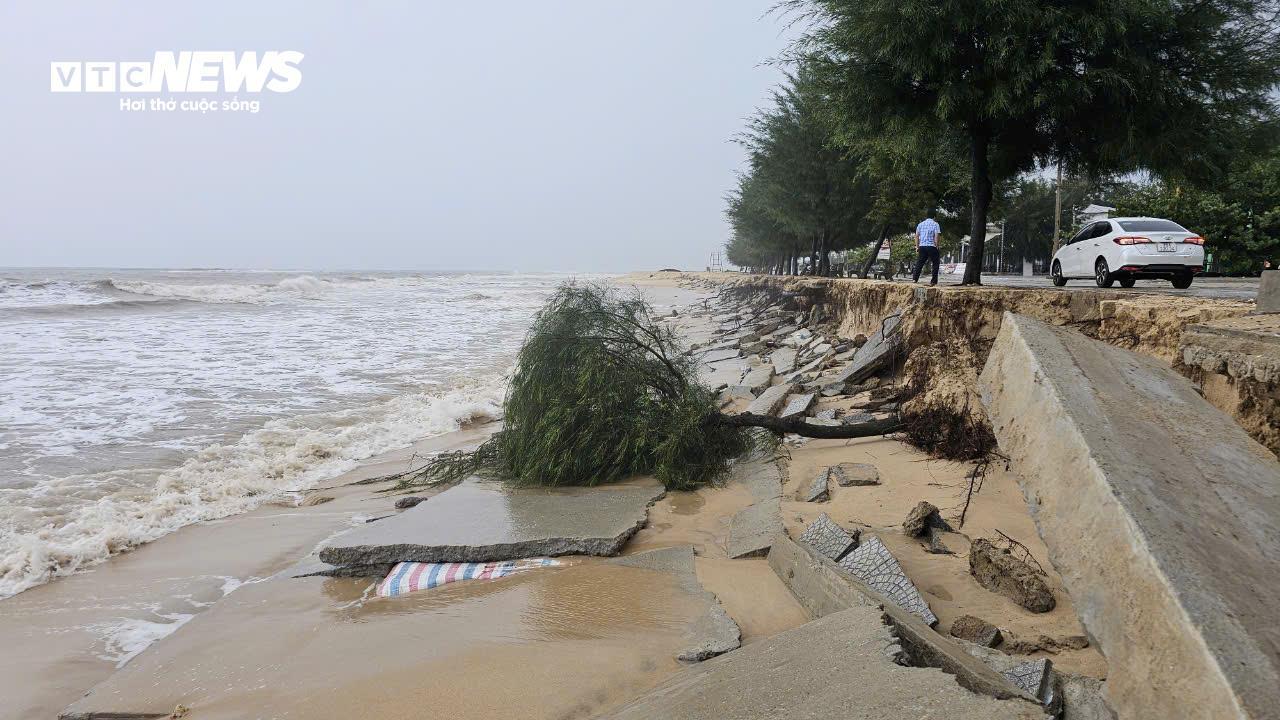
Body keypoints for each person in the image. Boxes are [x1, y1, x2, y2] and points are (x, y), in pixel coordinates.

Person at [913, 210, 942, 285]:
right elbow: (937, 236)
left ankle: (914, 279)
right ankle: (933, 281)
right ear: (934, 217)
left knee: (920, 263)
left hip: (922, 246)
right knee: (935, 263)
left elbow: (916, 236)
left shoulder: (920, 224)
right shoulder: (936, 224)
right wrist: (937, 245)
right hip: (931, 246)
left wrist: (917, 246)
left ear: (926, 216)